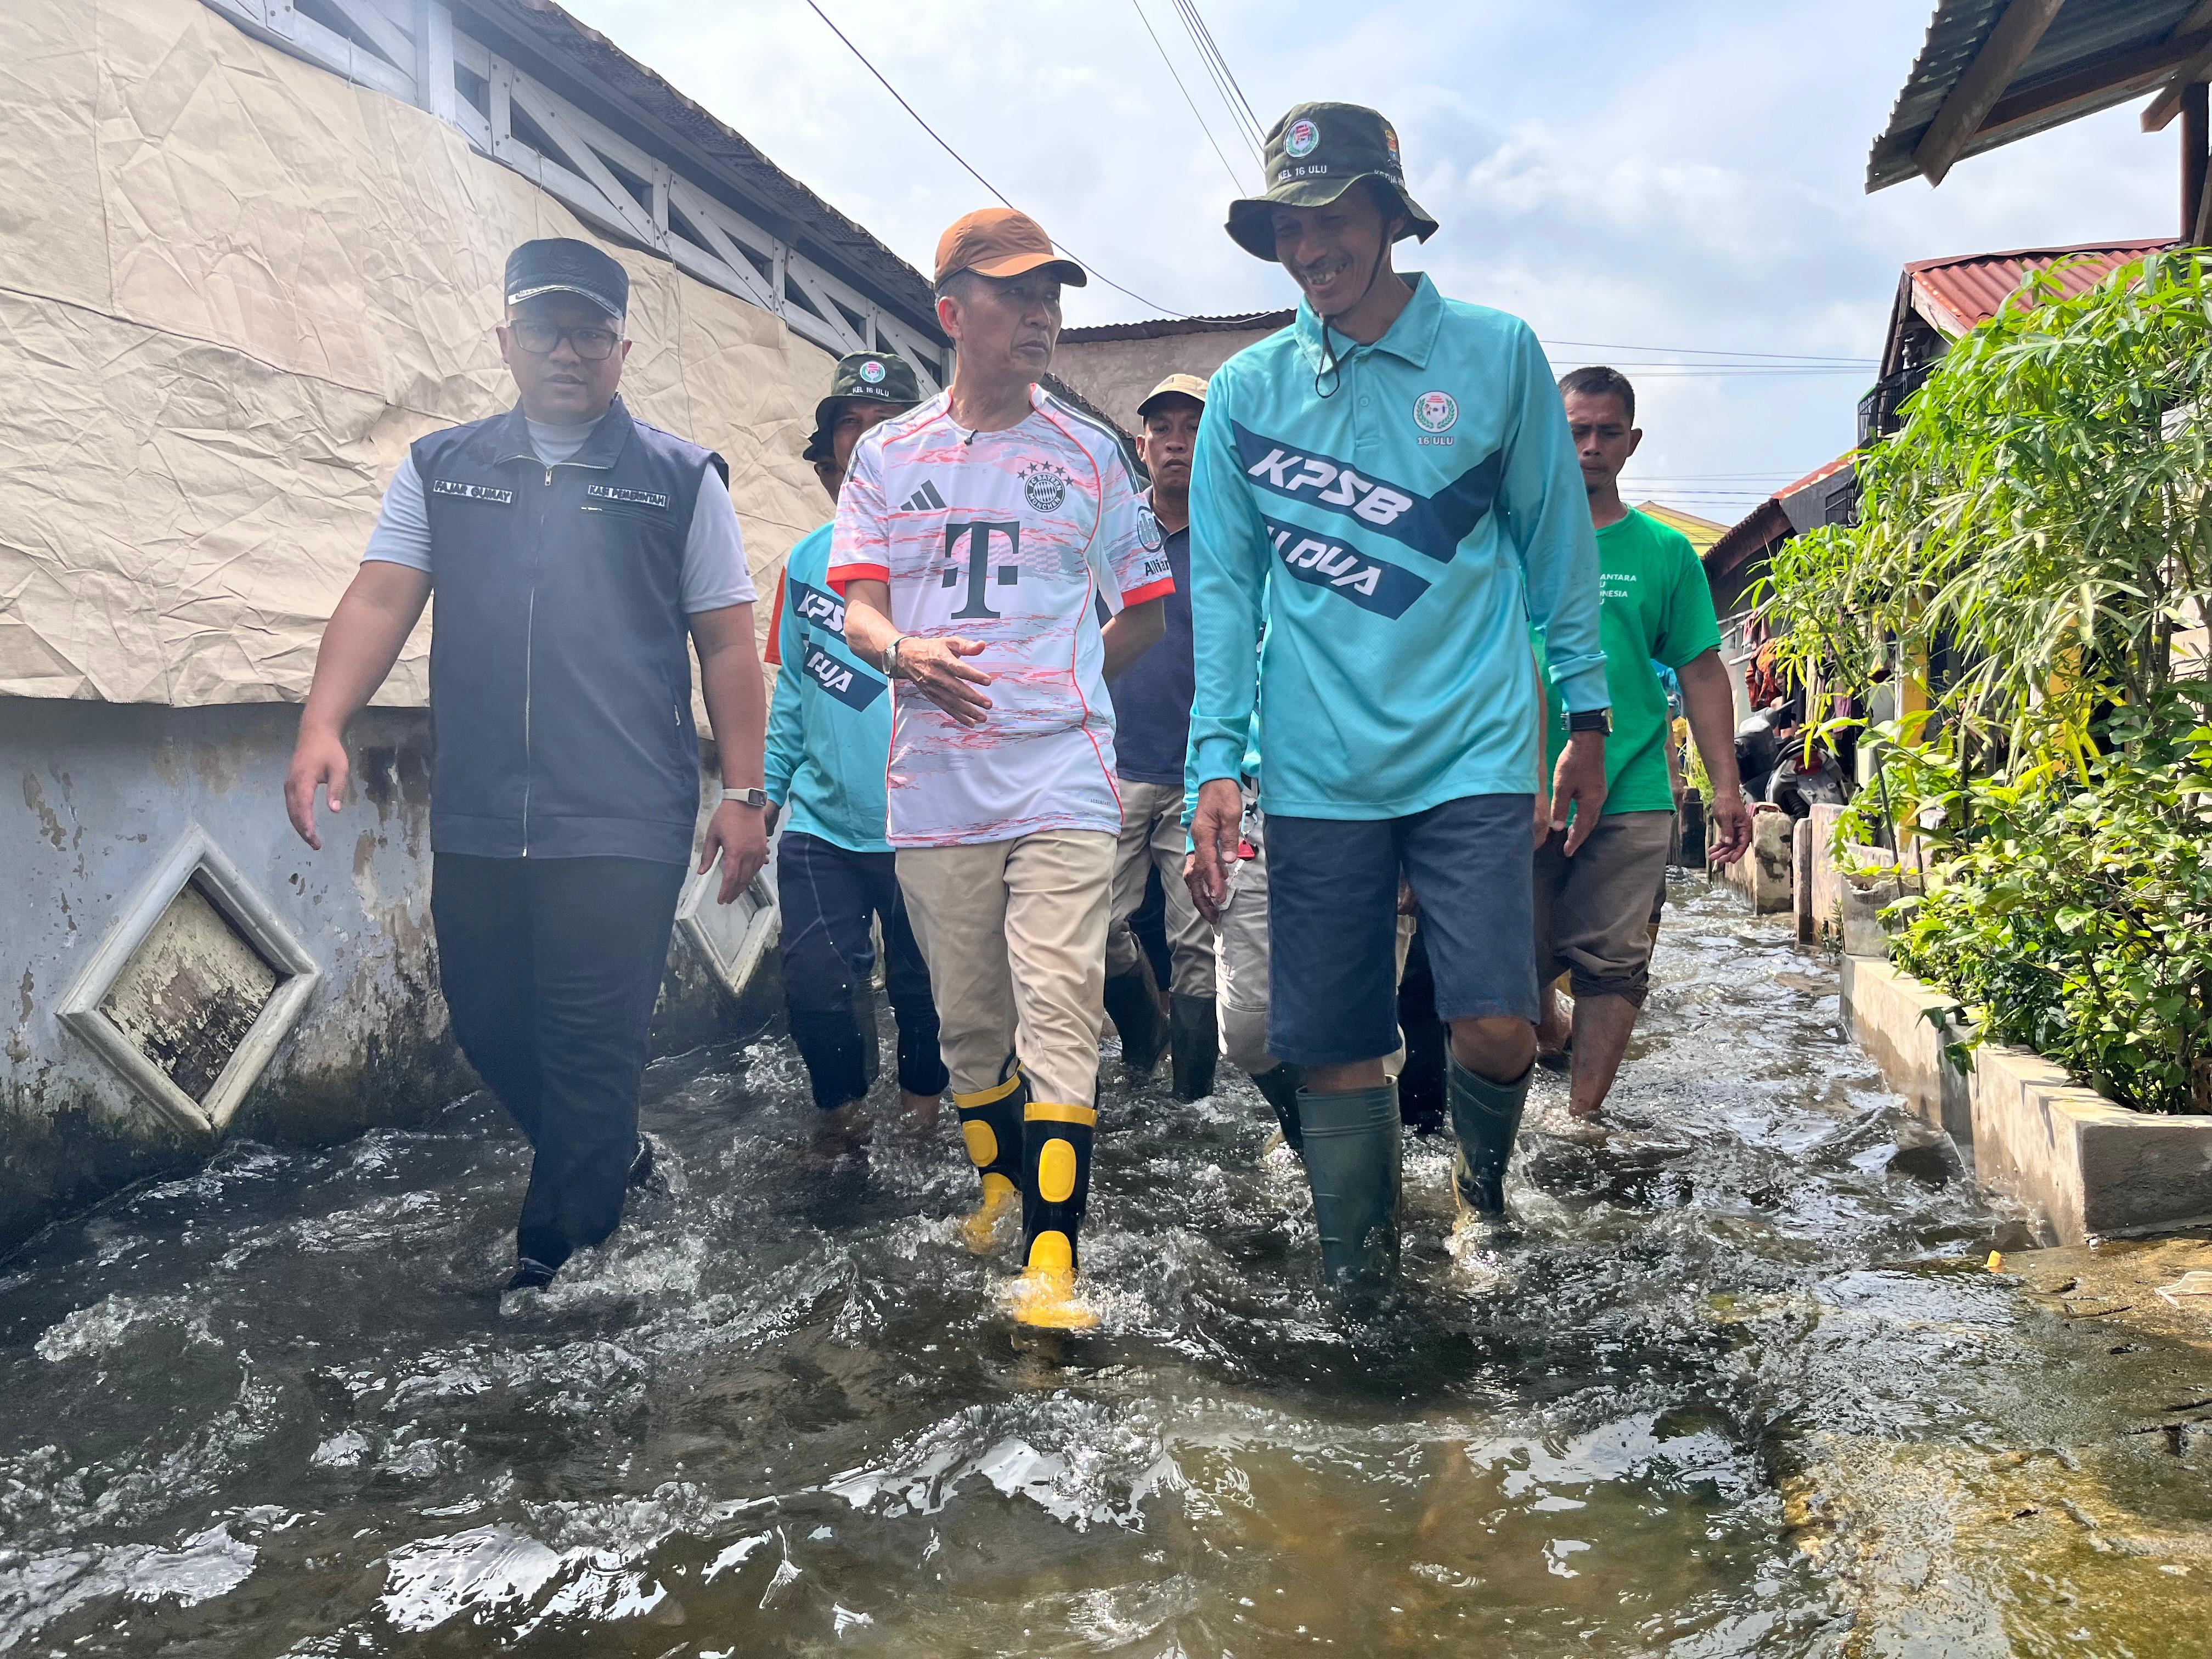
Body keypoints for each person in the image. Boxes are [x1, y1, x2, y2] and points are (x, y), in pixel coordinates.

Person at [283, 238, 769, 1294]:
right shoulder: (443, 469)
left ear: (622, 348)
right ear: (507, 340)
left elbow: (729, 644)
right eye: (547, 329)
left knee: (590, 1050)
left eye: (592, 332)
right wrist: (323, 721)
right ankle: (611, 1161)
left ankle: (547, 1282)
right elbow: (379, 597)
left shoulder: (681, 481)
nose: (568, 351)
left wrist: (744, 793)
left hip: (623, 821)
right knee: (490, 1021)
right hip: (482, 809)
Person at [1186, 103, 1611, 1299]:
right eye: (1288, 228)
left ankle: (1482, 1199)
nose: (1310, 248)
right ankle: (1362, 1284)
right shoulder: (1245, 395)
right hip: (1315, 767)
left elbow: (1556, 546)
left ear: (1388, 216)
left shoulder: (1497, 355)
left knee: (1496, 1023)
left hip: (1473, 750)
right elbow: (1223, 592)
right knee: (1333, 1046)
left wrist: (1586, 719)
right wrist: (1216, 762)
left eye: (1332, 218)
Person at [830, 208, 1172, 1328]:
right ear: (951, 313)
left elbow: (1146, 611)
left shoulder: (1093, 456)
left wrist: (1064, 681)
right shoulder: (886, 457)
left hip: (1062, 775)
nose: (1041, 315)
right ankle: (996, 1191)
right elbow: (858, 608)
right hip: (935, 784)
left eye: (1051, 296)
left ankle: (1054, 1262)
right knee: (969, 1025)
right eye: (1016, 293)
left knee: (1060, 1005)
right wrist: (905, 653)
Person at [1533, 367, 1752, 1119]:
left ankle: (1582, 1118)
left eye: (1606, 433)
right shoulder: (1510, 538)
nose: (1590, 447)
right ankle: (1544, 1025)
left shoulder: (1664, 553)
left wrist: (1727, 789)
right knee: (1507, 960)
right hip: (1516, 786)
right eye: (1575, 432)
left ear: (1632, 442)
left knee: (1614, 960)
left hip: (1631, 787)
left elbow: (1701, 670)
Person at [762, 350, 949, 1150]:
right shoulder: (806, 562)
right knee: (816, 984)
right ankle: (841, 1130)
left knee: (924, 992)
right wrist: (761, 795)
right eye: (851, 424)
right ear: (831, 450)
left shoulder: (953, 555)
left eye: (886, 424)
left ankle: (922, 1133)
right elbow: (793, 692)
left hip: (929, 822)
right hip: (823, 826)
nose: (867, 438)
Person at [1100, 374, 1220, 1101]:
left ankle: (1193, 1102)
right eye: (1163, 430)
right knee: (1093, 929)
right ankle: (1146, 1039)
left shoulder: (1236, 535)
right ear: (1142, 447)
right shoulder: (1110, 531)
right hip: (1109, 766)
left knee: (1198, 943)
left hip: (1203, 773)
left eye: (1193, 429)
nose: (1178, 443)